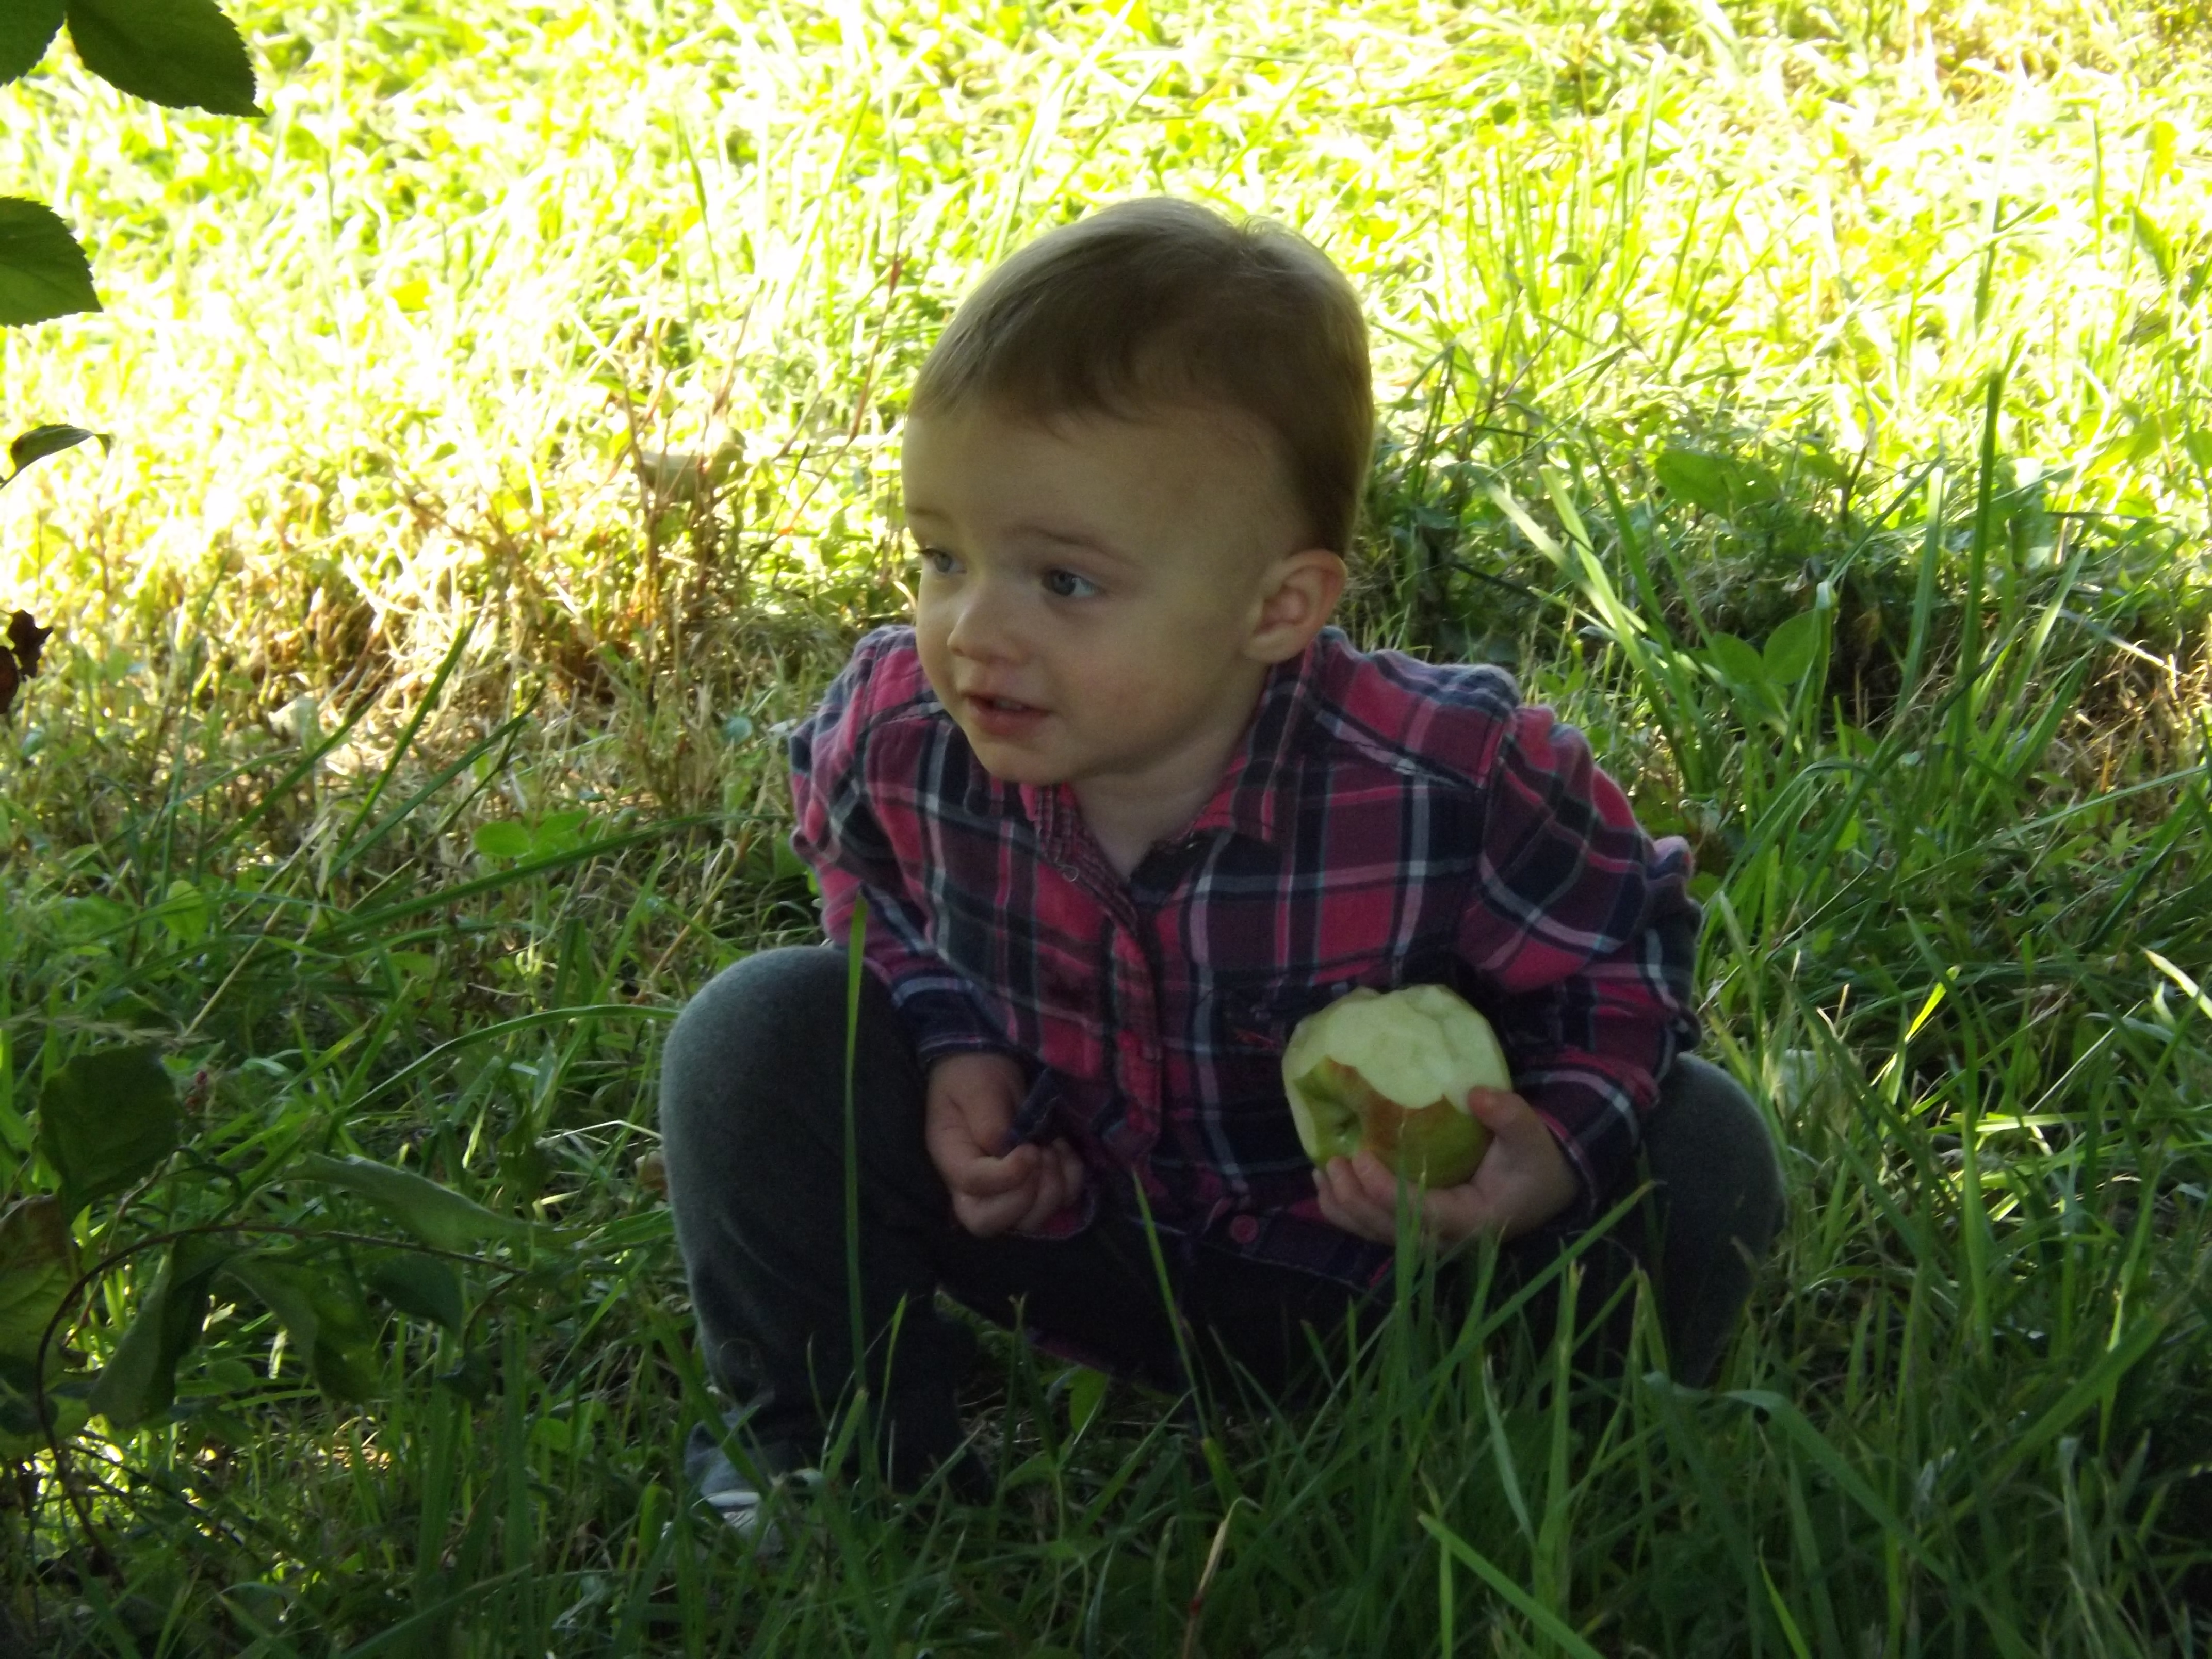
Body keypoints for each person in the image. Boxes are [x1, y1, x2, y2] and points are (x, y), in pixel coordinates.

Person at [659, 198, 1785, 1539]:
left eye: (1064, 583)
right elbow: (869, 884)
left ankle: (1578, 1470)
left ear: (1278, 607)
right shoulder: (904, 732)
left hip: (1410, 1275)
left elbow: (1625, 960)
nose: (973, 630)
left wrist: (1548, 1152)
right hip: (1075, 1244)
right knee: (761, 1036)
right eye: (943, 557)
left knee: (1701, 1145)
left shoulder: (1449, 780)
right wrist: (955, 1043)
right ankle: (830, 1461)